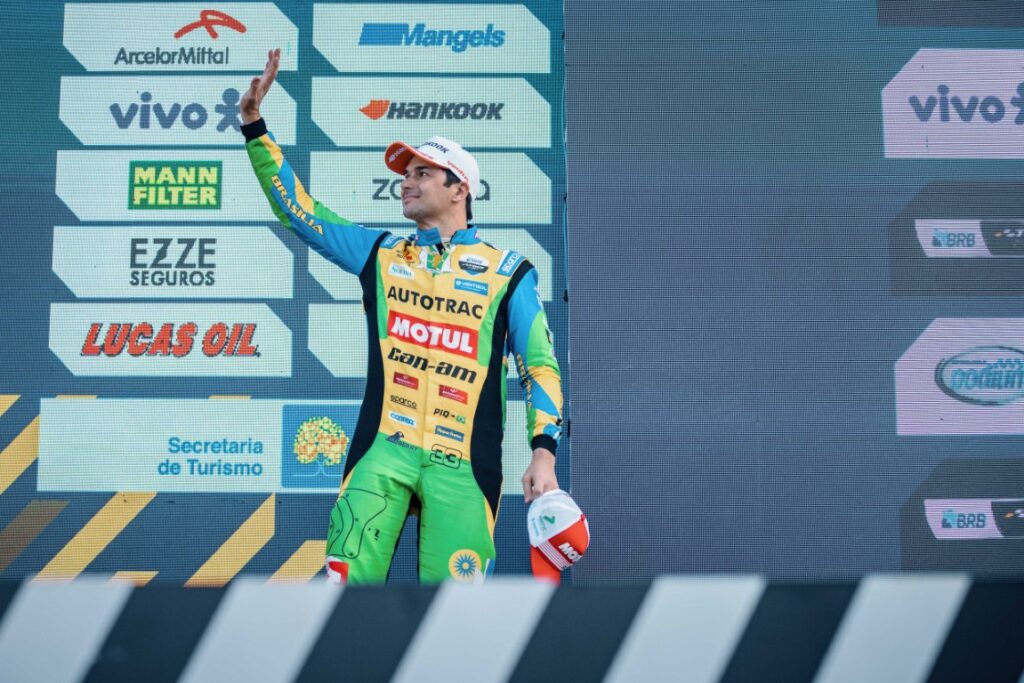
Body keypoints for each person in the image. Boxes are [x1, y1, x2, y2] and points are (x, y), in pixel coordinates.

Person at [240, 49, 563, 584]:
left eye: (422, 173)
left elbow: (540, 368)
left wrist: (543, 455)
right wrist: (255, 126)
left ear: (460, 188)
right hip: (381, 455)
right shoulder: (381, 253)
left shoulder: (509, 272)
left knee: (456, 612)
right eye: (404, 174)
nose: (406, 182)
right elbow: (299, 210)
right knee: (342, 593)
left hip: (465, 467)